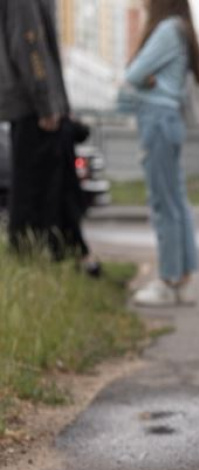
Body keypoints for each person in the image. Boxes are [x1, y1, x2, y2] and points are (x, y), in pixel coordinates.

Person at [0, 0, 99, 274]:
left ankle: (71, 258)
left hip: (37, 107)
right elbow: (29, 43)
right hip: (34, 109)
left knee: (53, 189)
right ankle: (33, 264)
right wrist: (46, 103)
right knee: (36, 195)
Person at [125, 0, 199, 307]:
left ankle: (167, 281)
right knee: (176, 202)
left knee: (164, 203)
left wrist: (146, 77)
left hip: (157, 119)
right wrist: (147, 78)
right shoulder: (180, 29)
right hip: (168, 119)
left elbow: (133, 74)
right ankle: (181, 280)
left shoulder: (167, 29)